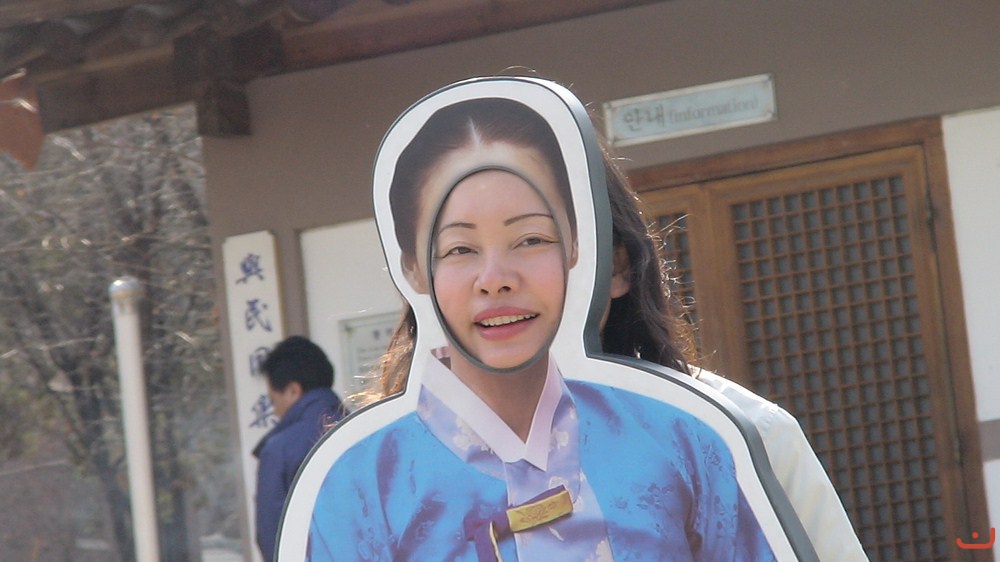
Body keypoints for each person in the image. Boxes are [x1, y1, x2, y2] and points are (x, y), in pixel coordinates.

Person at [357, 98, 868, 561]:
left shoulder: (739, 435)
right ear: (415, 274)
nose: (494, 280)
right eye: (459, 249)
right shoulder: (362, 479)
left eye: (532, 239)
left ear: (615, 264)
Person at [253, 335, 346, 562]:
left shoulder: (280, 450)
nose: (276, 411)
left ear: (293, 391)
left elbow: (274, 539)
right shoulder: (367, 431)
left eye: (273, 401)